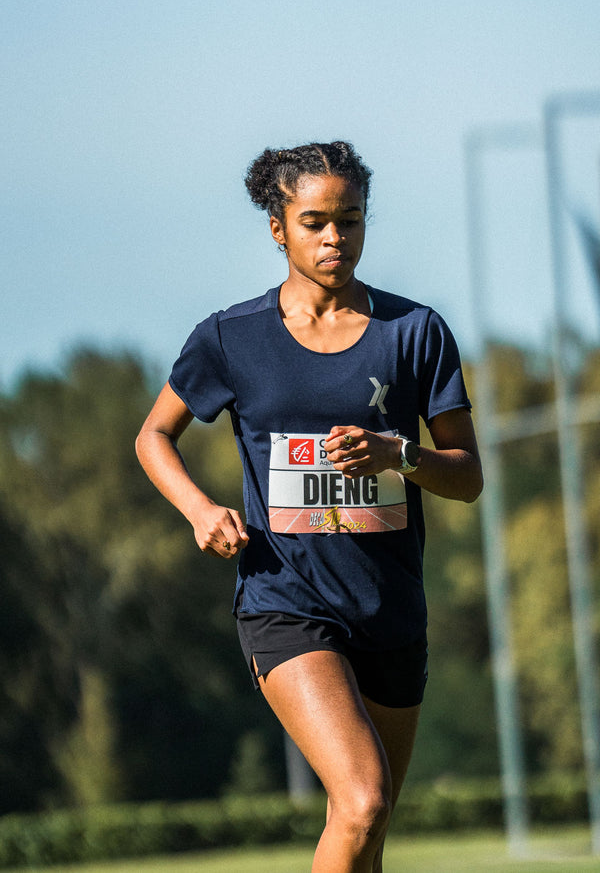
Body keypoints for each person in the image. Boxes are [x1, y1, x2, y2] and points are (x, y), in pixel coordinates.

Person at [135, 140, 483, 873]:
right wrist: (200, 510)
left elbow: (468, 475)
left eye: (350, 221)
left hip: (390, 608)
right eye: (316, 222)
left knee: (366, 827)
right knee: (362, 798)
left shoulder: (415, 332)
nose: (335, 239)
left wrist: (401, 456)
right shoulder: (232, 338)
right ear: (277, 227)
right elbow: (153, 436)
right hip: (283, 600)